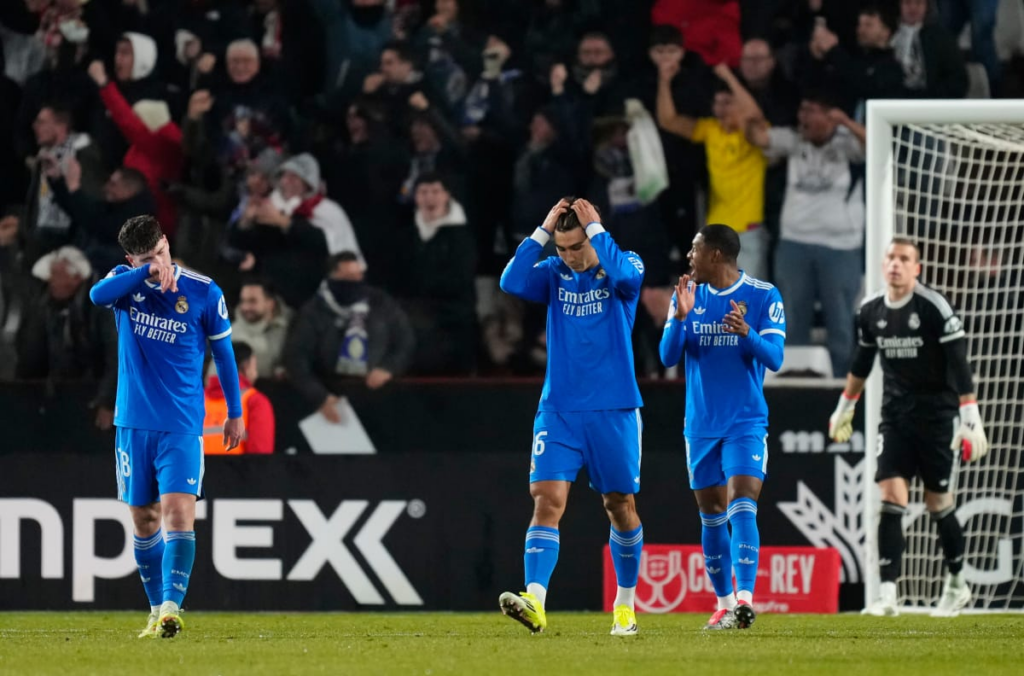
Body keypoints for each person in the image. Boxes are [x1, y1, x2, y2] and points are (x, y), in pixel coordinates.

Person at [88, 215, 245, 639]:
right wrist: (144, 274)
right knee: (144, 519)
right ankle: (156, 609)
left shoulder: (204, 291)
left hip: (181, 424)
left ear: (167, 243)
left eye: (160, 253)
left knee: (178, 514)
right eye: (146, 259)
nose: (158, 263)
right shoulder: (124, 283)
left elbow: (224, 355)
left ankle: (172, 608)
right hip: (133, 423)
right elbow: (96, 295)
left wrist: (234, 412)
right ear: (131, 260)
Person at [498, 197, 645, 637]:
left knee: (619, 506)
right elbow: (510, 280)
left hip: (614, 408)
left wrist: (597, 231)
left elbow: (626, 278)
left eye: (576, 246)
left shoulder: (624, 265)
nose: (568, 256)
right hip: (559, 409)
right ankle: (535, 601)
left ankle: (625, 605)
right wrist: (543, 231)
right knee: (546, 500)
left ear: (593, 237)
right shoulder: (553, 273)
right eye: (561, 249)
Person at [828, 238, 988, 618]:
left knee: (938, 503)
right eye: (891, 257)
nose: (896, 264)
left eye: (904, 259)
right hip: (896, 417)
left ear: (917, 268)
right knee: (891, 496)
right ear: (883, 264)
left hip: (938, 418)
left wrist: (970, 416)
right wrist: (844, 407)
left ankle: (957, 583)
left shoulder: (934, 307)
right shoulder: (870, 310)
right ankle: (887, 595)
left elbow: (959, 362)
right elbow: (862, 362)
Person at [659, 224, 786, 630]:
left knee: (742, 500)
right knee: (711, 514)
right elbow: (667, 357)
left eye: (694, 249)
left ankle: (745, 599)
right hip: (701, 425)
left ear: (715, 254)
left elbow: (775, 358)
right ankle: (724, 604)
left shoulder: (763, 295)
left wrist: (747, 333)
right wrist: (679, 317)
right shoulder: (686, 295)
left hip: (745, 421)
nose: (689, 257)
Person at [284, 251, 415, 422]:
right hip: (331, 396)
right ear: (332, 277)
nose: (355, 282)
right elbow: (296, 358)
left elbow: (405, 340)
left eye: (358, 275)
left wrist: (389, 367)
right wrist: (320, 396)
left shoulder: (380, 302)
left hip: (378, 395)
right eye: (348, 277)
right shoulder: (313, 311)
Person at [203, 341, 275, 454]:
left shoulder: (194, 401)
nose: (256, 374)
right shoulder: (254, 401)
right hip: (237, 466)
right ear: (246, 367)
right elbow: (261, 456)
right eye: (254, 367)